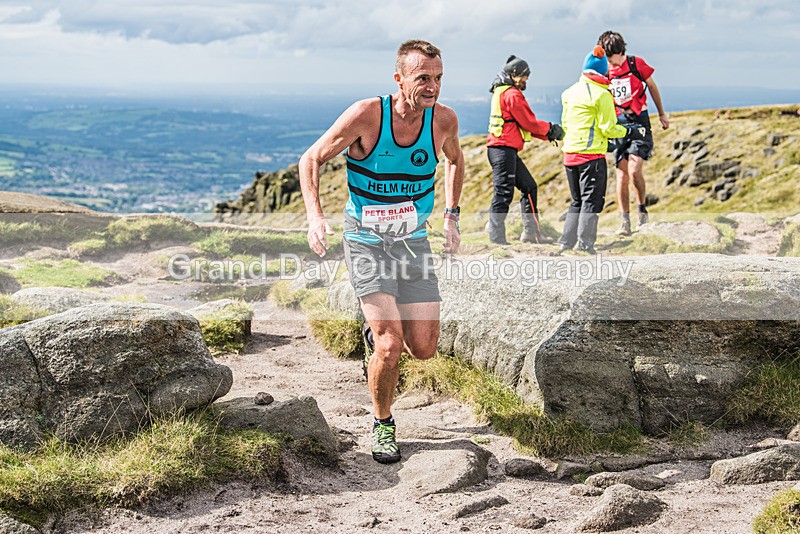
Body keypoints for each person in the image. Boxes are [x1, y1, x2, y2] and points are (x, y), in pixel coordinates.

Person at [299, 39, 464, 464]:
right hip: (367, 242)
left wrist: (451, 215)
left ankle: (375, 340)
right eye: (423, 78)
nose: (433, 87)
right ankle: (383, 423)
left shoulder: (443, 120)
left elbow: (455, 161)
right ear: (399, 78)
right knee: (391, 347)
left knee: (424, 348)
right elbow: (311, 159)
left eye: (439, 78)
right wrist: (315, 217)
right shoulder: (368, 116)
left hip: (413, 243)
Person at [558, 46, 640, 254]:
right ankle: (585, 245)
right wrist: (628, 131)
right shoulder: (601, 95)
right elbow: (608, 128)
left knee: (577, 200)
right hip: (591, 156)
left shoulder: (569, 93)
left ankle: (565, 243)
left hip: (570, 155)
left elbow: (566, 122)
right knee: (592, 201)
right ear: (603, 71)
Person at [486, 55, 564, 245]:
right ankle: (497, 238)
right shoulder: (512, 94)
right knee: (503, 193)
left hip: (503, 148)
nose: (526, 80)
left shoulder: (501, 91)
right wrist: (551, 129)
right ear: (513, 74)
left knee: (529, 186)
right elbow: (529, 123)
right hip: (503, 149)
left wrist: (548, 135)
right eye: (524, 76)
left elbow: (523, 125)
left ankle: (531, 233)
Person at [598, 31, 669, 236]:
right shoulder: (605, 70)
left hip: (639, 119)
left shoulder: (636, 64)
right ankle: (624, 221)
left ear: (621, 52)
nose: (611, 62)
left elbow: (653, 87)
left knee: (635, 169)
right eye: (607, 59)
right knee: (621, 175)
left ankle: (642, 210)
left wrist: (662, 114)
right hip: (618, 122)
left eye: (612, 58)